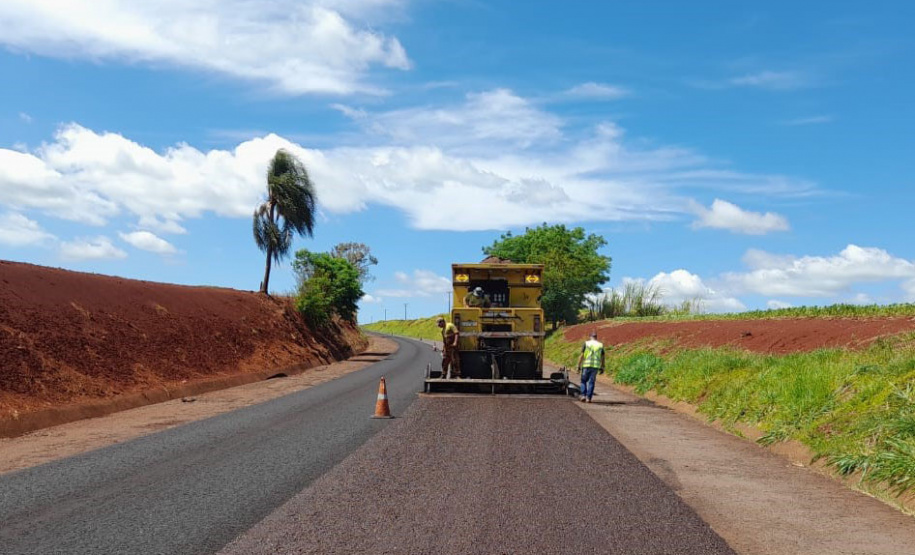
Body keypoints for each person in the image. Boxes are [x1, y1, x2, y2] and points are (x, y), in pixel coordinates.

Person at [576, 331, 604, 403]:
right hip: (595, 366)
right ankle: (588, 398)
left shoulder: (586, 343)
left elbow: (582, 355)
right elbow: (602, 357)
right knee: (591, 382)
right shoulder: (600, 345)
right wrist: (602, 366)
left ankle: (583, 395)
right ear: (596, 337)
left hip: (586, 365)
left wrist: (578, 365)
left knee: (583, 381)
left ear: (590, 337)